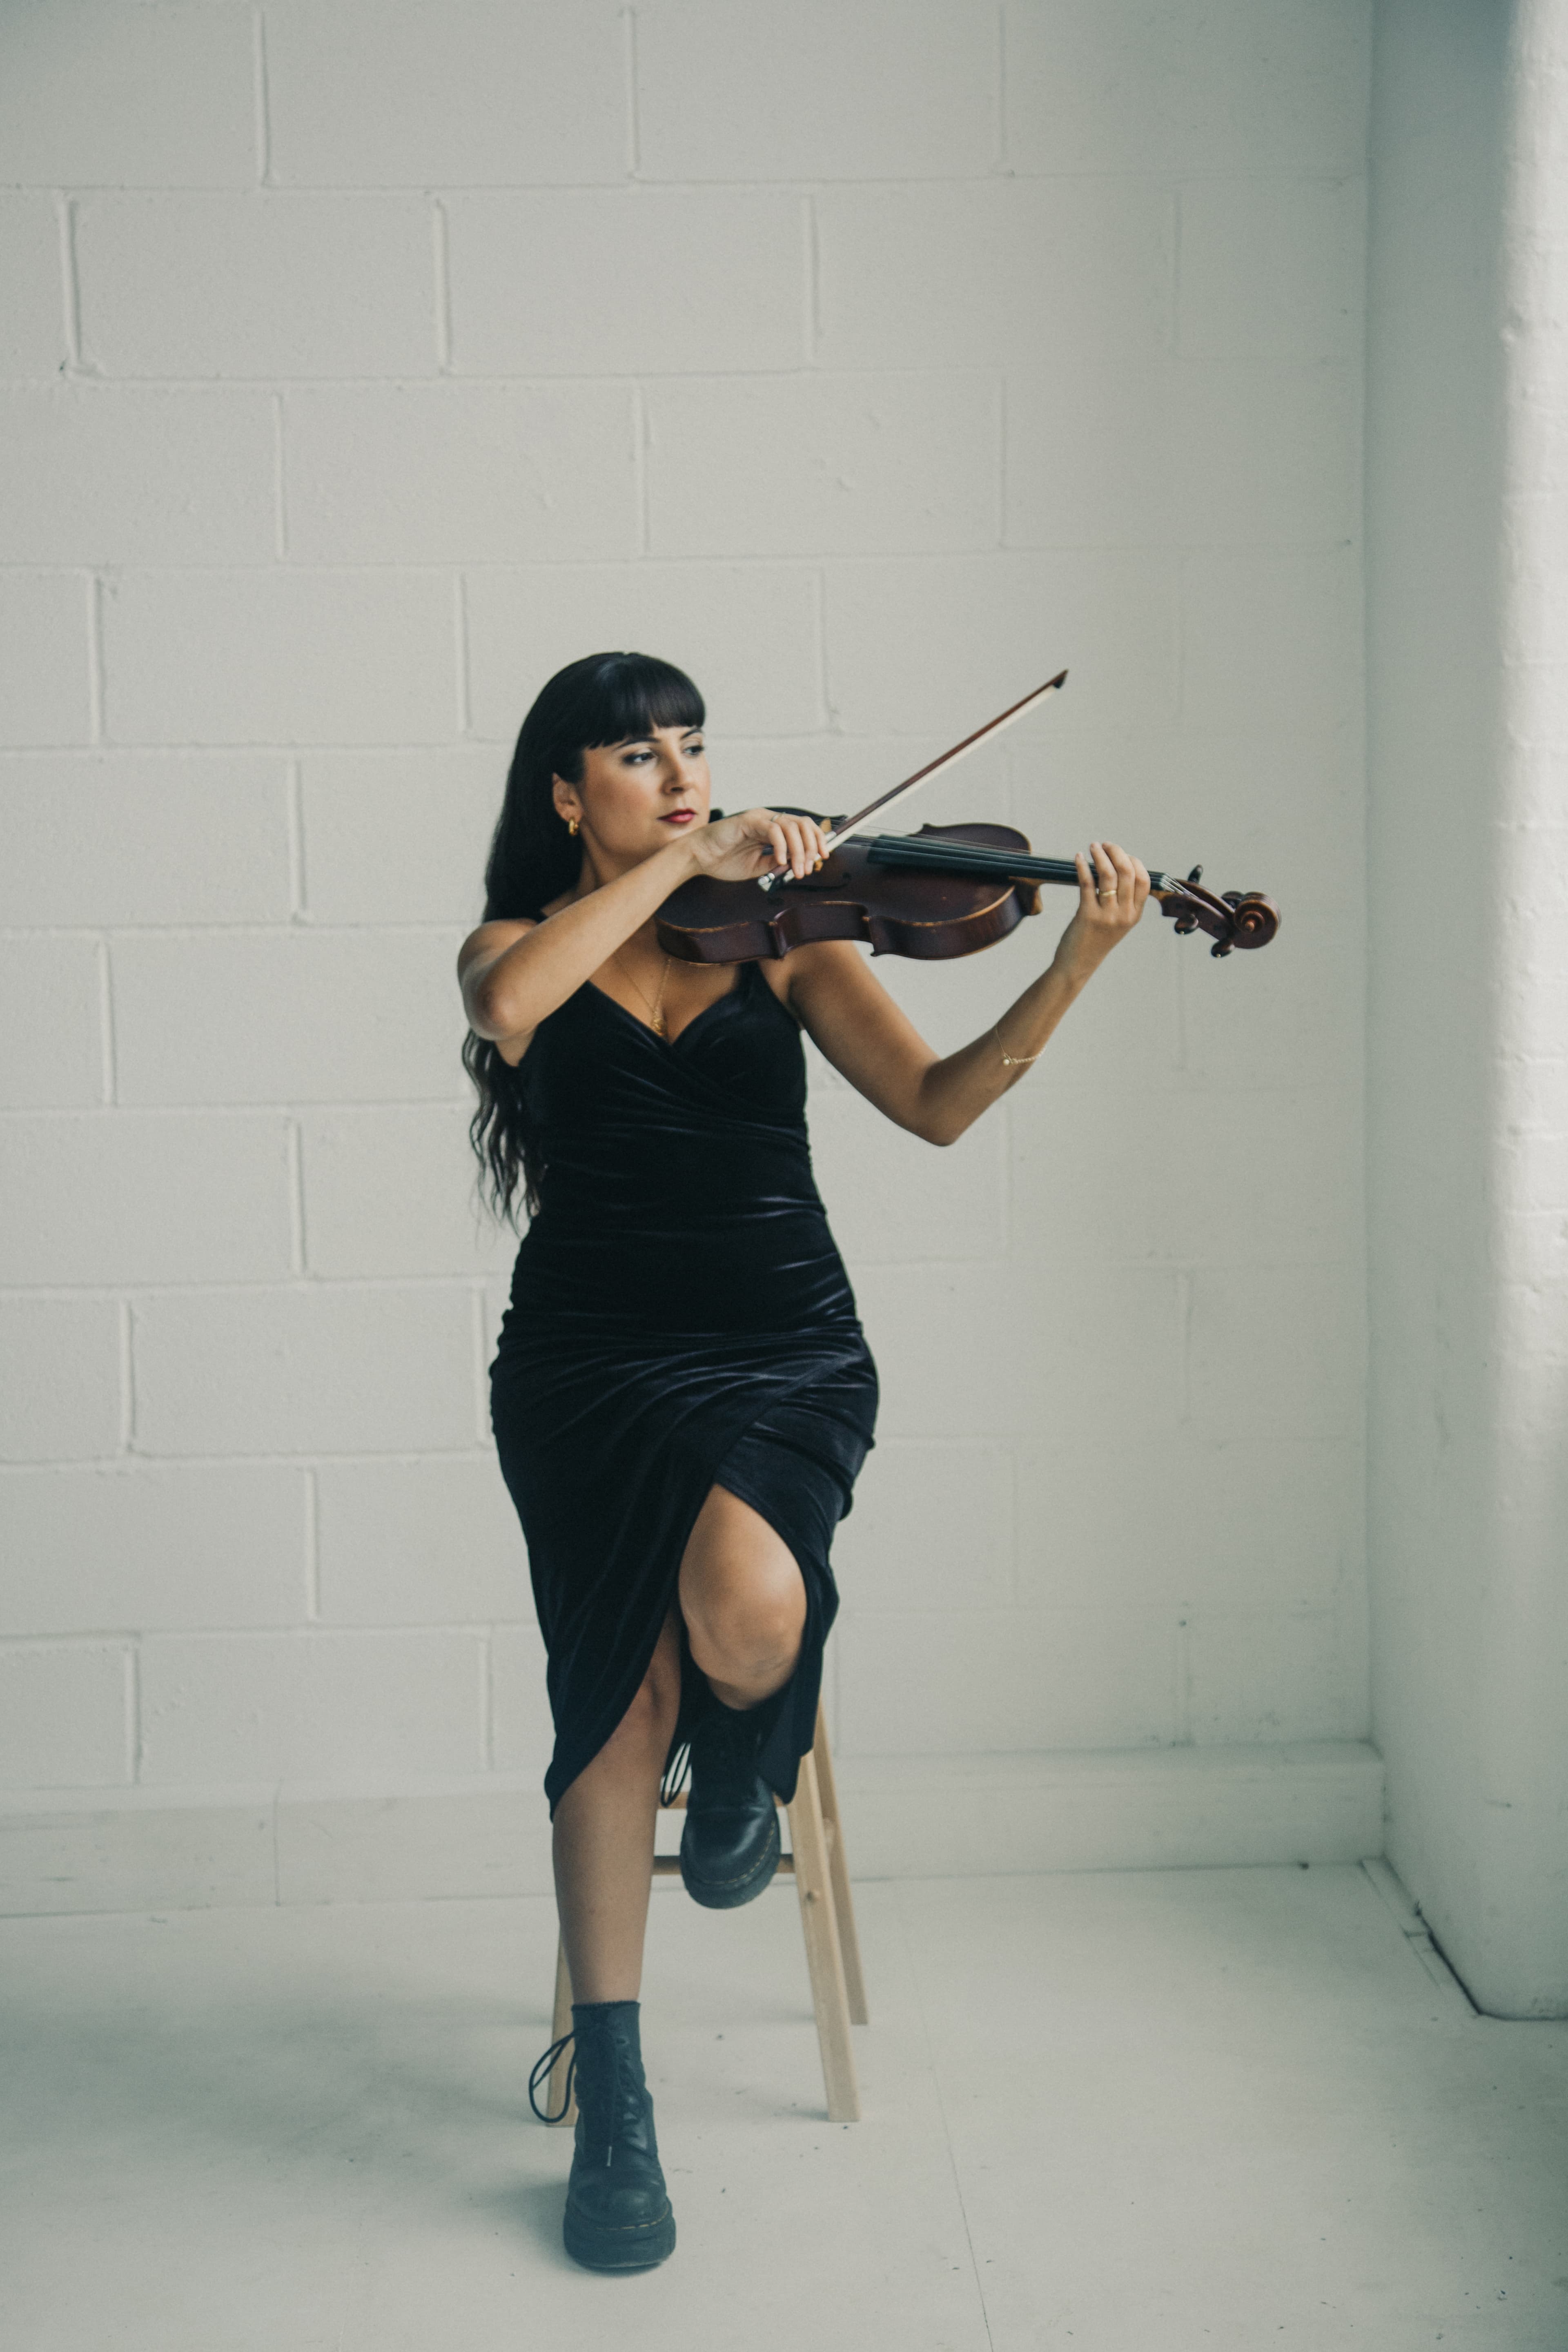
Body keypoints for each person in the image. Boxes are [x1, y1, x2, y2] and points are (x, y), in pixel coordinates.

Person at [457, 650, 1149, 2272]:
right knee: (615, 1690)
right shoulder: (523, 945)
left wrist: (1085, 964)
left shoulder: (792, 942)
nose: (684, 774)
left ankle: (749, 1762)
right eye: (640, 756)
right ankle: (617, 2097)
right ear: (569, 795)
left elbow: (936, 1103)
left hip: (783, 1351)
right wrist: (686, 869)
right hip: (584, 1369)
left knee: (752, 1603)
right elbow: (507, 1008)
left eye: (695, 748)